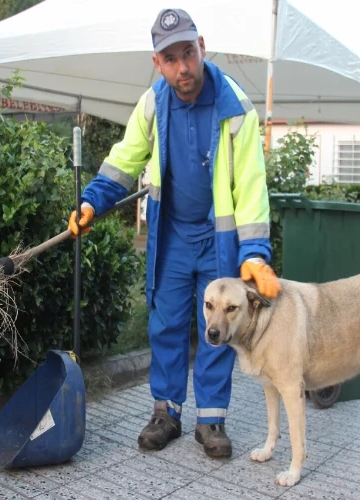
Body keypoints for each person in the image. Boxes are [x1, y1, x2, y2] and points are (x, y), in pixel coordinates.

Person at [67, 7, 281, 458]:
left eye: (189, 53)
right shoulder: (153, 104)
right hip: (174, 236)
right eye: (171, 58)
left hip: (218, 238)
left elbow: (251, 186)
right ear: (157, 64)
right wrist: (92, 201)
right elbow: (125, 159)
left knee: (217, 325)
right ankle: (166, 411)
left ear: (202, 47)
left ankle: (211, 419)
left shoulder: (236, 107)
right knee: (165, 322)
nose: (183, 67)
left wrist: (255, 253)